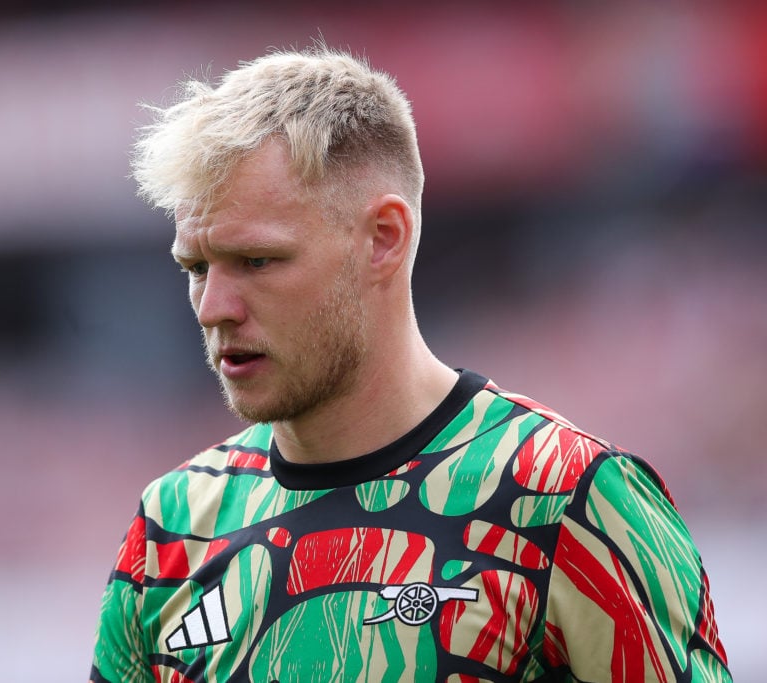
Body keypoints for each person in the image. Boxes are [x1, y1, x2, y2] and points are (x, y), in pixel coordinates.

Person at [89, 46, 731, 682]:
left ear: (384, 239)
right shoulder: (170, 526)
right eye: (196, 268)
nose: (213, 308)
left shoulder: (569, 500)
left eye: (258, 261)